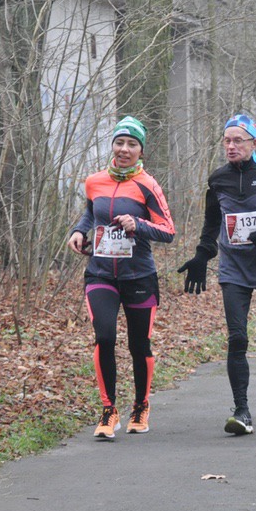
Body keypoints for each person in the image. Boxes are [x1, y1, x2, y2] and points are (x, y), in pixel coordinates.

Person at [178, 113, 256, 436]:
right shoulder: (217, 179)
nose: (231, 146)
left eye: (238, 140)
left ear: (255, 143)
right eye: (227, 140)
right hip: (233, 267)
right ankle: (242, 410)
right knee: (237, 338)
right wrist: (202, 254)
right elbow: (212, 222)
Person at [67, 116, 176, 439]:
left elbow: (168, 231)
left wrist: (137, 224)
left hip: (139, 276)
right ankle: (108, 410)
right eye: (119, 142)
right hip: (100, 274)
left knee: (139, 344)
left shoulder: (148, 185)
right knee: (104, 337)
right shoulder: (94, 181)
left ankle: (141, 406)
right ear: (112, 145)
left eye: (131, 144)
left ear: (141, 151)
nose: (124, 149)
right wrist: (78, 231)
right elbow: (91, 211)